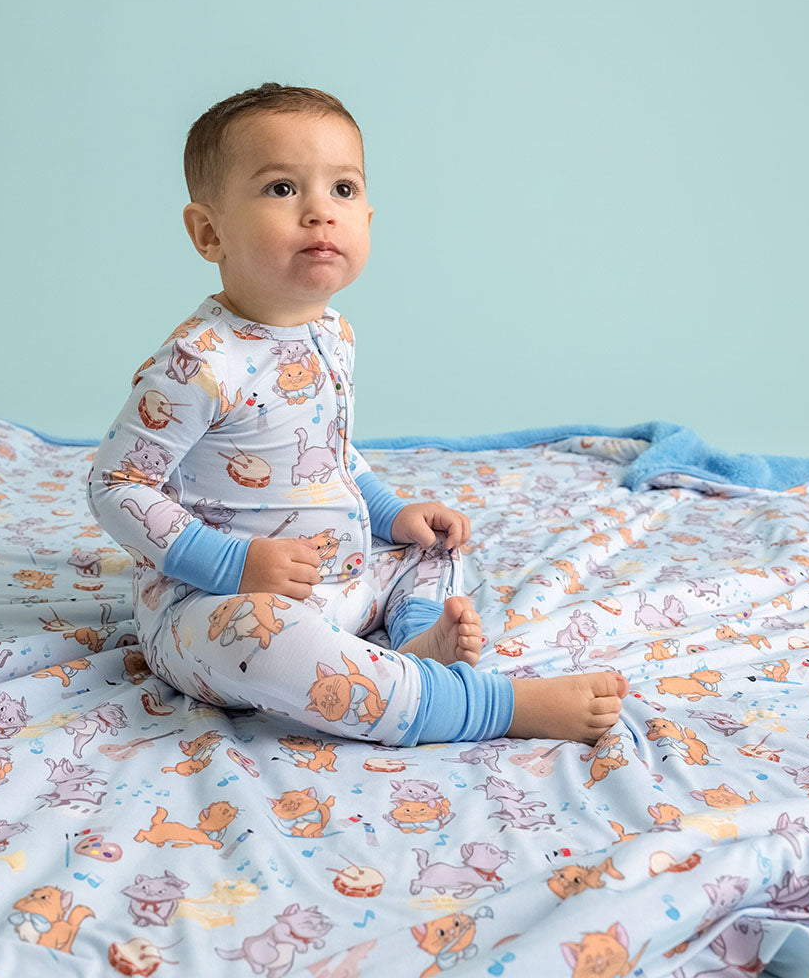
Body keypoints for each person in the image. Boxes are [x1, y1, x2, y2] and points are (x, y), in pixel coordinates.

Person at [87, 82, 627, 747]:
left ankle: (415, 637)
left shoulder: (332, 334)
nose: (320, 212)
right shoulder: (198, 363)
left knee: (433, 546)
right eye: (282, 189)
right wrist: (233, 566)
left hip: (340, 579)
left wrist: (390, 512)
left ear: (367, 219)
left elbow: (332, 455)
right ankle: (490, 706)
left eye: (342, 190)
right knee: (262, 641)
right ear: (209, 232)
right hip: (218, 602)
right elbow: (117, 486)